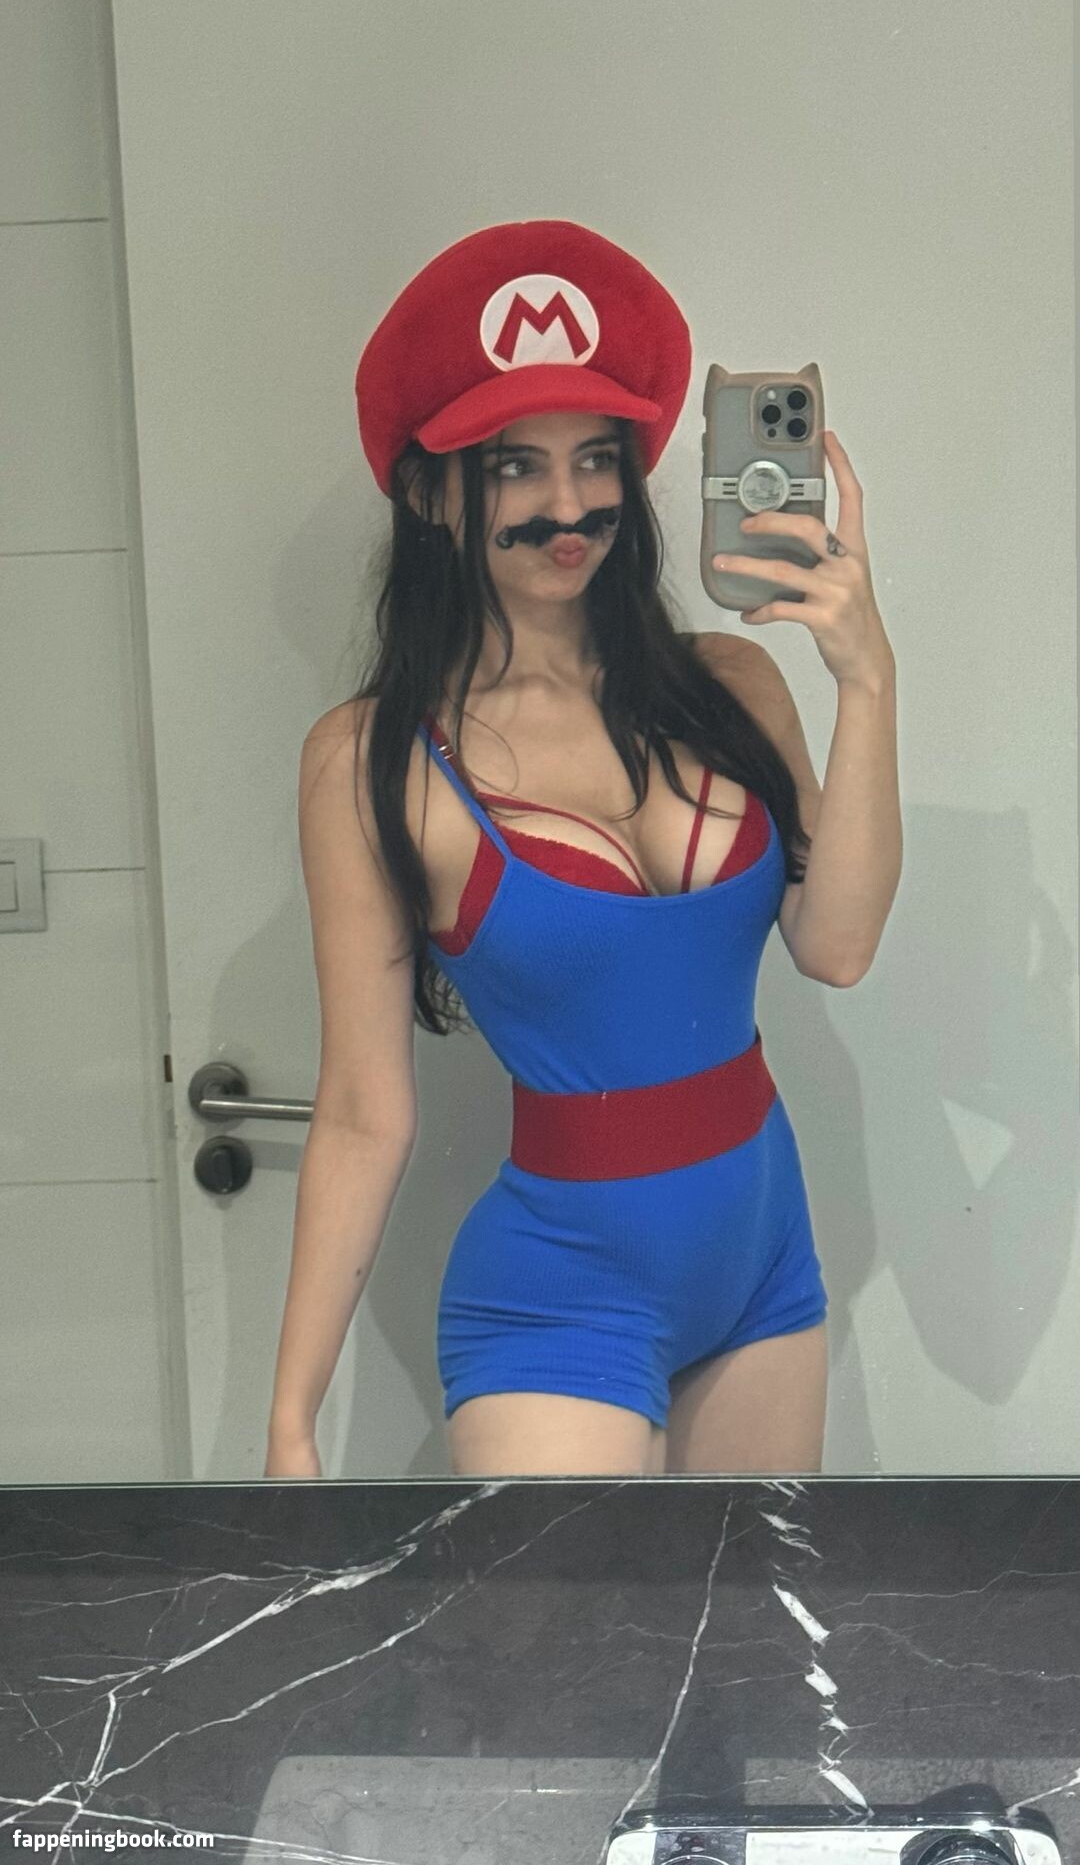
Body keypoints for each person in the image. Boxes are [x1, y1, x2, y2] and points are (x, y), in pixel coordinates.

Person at [264, 219, 901, 1481]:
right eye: (516, 467)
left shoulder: (733, 685)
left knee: (753, 1617)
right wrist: (293, 1416)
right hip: (558, 1302)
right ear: (429, 492)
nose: (568, 508)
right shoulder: (373, 762)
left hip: (765, 1265)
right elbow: (362, 1111)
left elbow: (837, 945)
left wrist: (866, 679)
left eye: (595, 459)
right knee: (568, 1625)